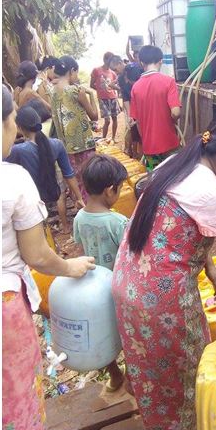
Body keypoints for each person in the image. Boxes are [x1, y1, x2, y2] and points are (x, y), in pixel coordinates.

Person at [111, 111, 216, 430]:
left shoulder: (175, 164)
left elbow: (169, 225)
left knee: (153, 365)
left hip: (128, 282)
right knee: (188, 372)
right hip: (160, 298)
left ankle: (162, 426)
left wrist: (206, 263)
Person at [2, 84, 95, 430]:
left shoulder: (19, 156)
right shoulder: (11, 179)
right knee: (14, 400)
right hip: (5, 306)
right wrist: (70, 267)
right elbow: (37, 255)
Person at [73, 154, 129, 391]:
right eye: (119, 189)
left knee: (102, 330)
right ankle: (133, 377)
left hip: (93, 288)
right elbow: (130, 257)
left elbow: (80, 250)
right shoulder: (118, 222)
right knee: (127, 332)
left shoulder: (79, 217)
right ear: (109, 191)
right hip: (118, 287)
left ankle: (115, 375)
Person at [7, 106, 84, 233]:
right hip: (52, 190)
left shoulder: (17, 151)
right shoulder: (57, 144)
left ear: (19, 127)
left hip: (30, 200)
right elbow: (69, 174)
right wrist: (79, 197)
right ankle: (64, 227)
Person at [51, 56, 97, 201]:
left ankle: (80, 206)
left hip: (65, 145)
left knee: (75, 180)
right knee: (90, 180)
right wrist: (91, 95)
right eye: (76, 72)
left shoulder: (52, 92)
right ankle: (92, 208)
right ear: (72, 71)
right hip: (83, 144)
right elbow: (94, 116)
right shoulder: (75, 91)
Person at [130, 45, 181, 172]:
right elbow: (175, 112)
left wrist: (146, 140)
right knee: (176, 178)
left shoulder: (135, 87)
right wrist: (173, 120)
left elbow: (137, 121)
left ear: (141, 63)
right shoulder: (168, 81)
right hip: (169, 143)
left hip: (149, 147)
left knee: (155, 179)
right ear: (161, 61)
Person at [109, 55, 143, 157]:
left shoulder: (135, 68)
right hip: (133, 107)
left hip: (143, 105)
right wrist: (130, 115)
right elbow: (126, 98)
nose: (115, 72)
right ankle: (138, 155)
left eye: (115, 69)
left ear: (120, 63)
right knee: (135, 133)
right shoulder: (120, 79)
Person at [90, 51, 120, 142]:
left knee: (114, 118)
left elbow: (115, 87)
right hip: (103, 99)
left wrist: (117, 100)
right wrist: (100, 91)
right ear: (105, 60)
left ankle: (113, 138)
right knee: (107, 120)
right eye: (110, 60)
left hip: (113, 98)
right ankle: (103, 139)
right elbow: (91, 84)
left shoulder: (113, 73)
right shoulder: (96, 70)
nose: (111, 62)